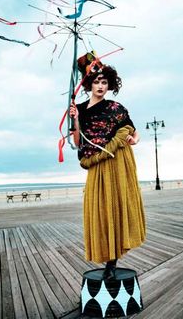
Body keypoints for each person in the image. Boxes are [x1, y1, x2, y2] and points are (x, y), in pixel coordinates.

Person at [69, 53, 146, 279]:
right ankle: (106, 254)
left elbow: (133, 131)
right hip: (95, 163)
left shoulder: (115, 107)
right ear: (88, 84)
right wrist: (75, 119)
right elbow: (77, 142)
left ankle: (112, 263)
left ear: (109, 84)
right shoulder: (80, 109)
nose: (101, 86)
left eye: (104, 82)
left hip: (119, 161)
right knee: (100, 209)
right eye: (96, 82)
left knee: (117, 206)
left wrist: (135, 139)